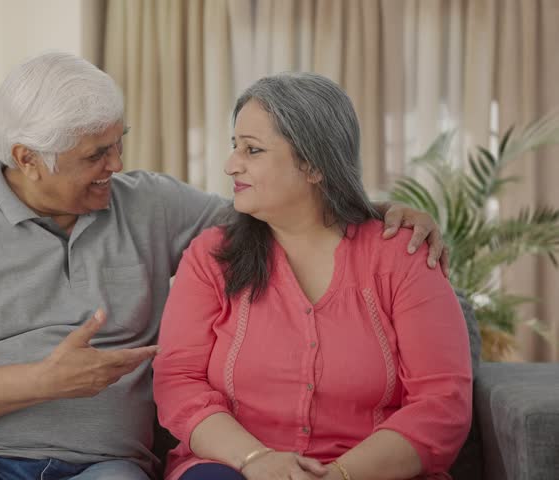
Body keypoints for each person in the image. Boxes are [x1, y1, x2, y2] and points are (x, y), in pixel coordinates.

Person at [0, 53, 448, 480]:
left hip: (104, 464)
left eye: (117, 143)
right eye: (95, 156)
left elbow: (279, 212)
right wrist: (45, 381)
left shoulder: (150, 203)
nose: (118, 165)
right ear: (27, 159)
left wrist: (377, 211)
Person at [152, 72, 472, 480]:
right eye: (235, 147)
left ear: (314, 166)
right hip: (231, 468)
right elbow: (179, 382)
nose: (232, 165)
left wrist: (338, 475)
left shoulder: (403, 256)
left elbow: (442, 404)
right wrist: (256, 460)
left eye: (253, 150)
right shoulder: (211, 256)